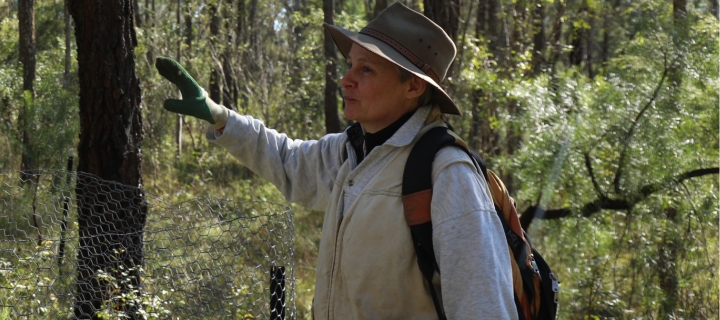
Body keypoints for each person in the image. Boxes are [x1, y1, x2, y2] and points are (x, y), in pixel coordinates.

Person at [156, 3, 517, 319]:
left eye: (366, 70)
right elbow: (288, 161)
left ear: (413, 87)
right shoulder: (352, 150)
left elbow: (483, 307)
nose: (345, 80)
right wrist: (220, 116)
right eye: (350, 65)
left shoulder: (448, 174)